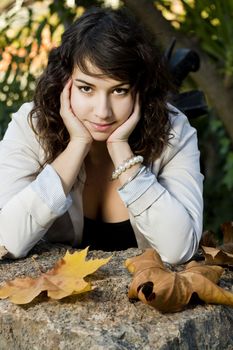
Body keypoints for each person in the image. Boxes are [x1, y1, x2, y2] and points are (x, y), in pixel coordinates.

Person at [0, 6, 203, 264]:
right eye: (86, 88)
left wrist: (122, 152)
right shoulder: (33, 126)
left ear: (140, 90)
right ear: (64, 83)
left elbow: (179, 249)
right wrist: (76, 146)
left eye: (119, 91)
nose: (103, 112)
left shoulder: (173, 130)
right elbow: (6, 240)